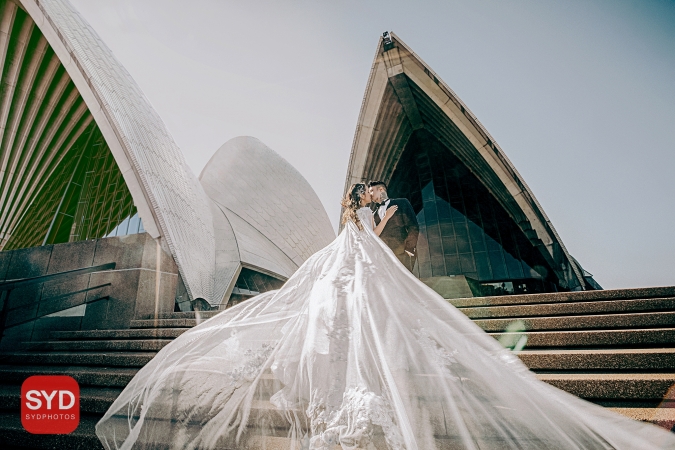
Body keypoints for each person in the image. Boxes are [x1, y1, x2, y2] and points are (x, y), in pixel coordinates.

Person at [95, 183, 675, 450]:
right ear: (361, 199)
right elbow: (382, 246)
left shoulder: (360, 226)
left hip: (349, 273)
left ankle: (347, 385)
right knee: (349, 317)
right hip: (354, 271)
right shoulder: (364, 225)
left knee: (342, 319)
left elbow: (384, 245)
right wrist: (381, 228)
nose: (377, 193)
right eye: (370, 192)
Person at [368, 180, 419, 272]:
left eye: (371, 190)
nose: (370, 194)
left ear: (381, 189)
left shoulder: (402, 203)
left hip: (402, 255)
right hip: (383, 259)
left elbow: (413, 226)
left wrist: (408, 250)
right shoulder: (373, 215)